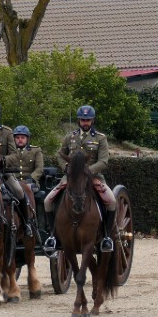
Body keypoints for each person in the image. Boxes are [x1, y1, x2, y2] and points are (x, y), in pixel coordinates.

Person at [43, 106, 116, 255]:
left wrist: (88, 171)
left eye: (88, 120)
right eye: (83, 120)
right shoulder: (70, 137)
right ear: (79, 120)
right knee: (47, 201)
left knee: (112, 201)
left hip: (93, 177)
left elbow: (104, 161)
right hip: (71, 178)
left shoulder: (100, 138)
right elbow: (60, 155)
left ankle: (106, 237)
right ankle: (53, 236)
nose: (85, 123)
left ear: (92, 121)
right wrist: (66, 167)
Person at [3, 125, 42, 236]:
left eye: (22, 137)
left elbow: (39, 168)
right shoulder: (10, 152)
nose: (20, 140)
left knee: (27, 190)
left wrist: (31, 178)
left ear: (27, 139)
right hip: (13, 182)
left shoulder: (35, 150)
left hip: (30, 182)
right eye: (17, 137)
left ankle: (31, 221)